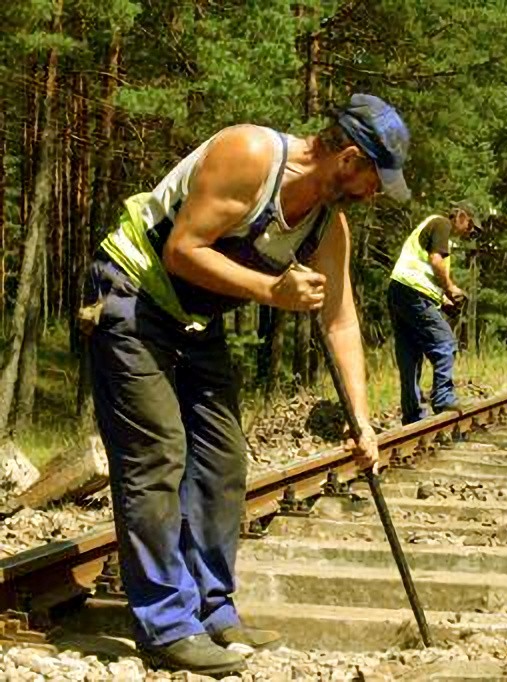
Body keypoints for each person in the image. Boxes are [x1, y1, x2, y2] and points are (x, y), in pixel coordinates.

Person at [81, 94, 410, 674]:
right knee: (158, 455)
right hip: (132, 293)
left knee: (223, 459)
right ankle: (167, 626)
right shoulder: (250, 154)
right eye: (374, 181)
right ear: (350, 159)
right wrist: (272, 291)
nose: (375, 195)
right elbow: (182, 250)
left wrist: (361, 420)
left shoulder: (327, 227)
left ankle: (212, 610)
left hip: (193, 319)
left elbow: (340, 320)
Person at [387, 201, 480, 424]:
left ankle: (412, 415)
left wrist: (442, 299)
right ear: (461, 217)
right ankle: (443, 398)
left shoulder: (432, 227)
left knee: (409, 354)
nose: (469, 233)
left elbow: (427, 272)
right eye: (470, 226)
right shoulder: (442, 224)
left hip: (399, 290)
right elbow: (436, 262)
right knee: (445, 343)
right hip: (414, 291)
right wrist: (451, 288)